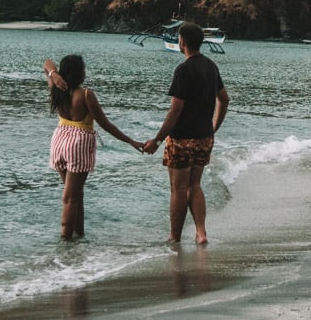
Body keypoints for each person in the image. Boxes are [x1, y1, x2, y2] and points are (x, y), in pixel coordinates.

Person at [143, 23, 230, 246]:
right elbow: (224, 99)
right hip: (204, 137)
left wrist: (157, 139)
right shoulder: (211, 66)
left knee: (178, 188)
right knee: (195, 185)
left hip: (181, 138)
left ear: (182, 42)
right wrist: (213, 127)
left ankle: (175, 237)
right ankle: (201, 233)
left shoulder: (183, 70)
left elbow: (175, 110)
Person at [44, 55, 143, 240]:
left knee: (75, 193)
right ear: (77, 73)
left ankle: (79, 236)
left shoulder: (57, 90)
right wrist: (131, 141)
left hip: (59, 140)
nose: (85, 72)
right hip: (78, 144)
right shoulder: (86, 95)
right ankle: (65, 241)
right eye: (83, 69)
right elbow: (106, 125)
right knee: (71, 197)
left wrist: (53, 75)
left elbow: (47, 63)